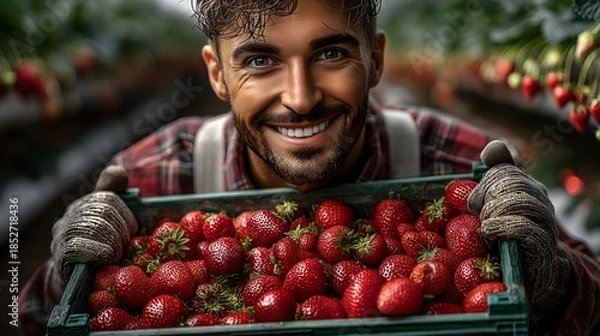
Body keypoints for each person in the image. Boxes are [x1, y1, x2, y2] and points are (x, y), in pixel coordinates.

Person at [20, 0, 599, 335]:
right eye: (260, 60)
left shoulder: (456, 160)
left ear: (375, 58)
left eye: (330, 53)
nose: (299, 98)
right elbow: (30, 315)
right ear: (217, 75)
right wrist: (63, 277)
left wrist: (549, 280)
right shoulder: (151, 174)